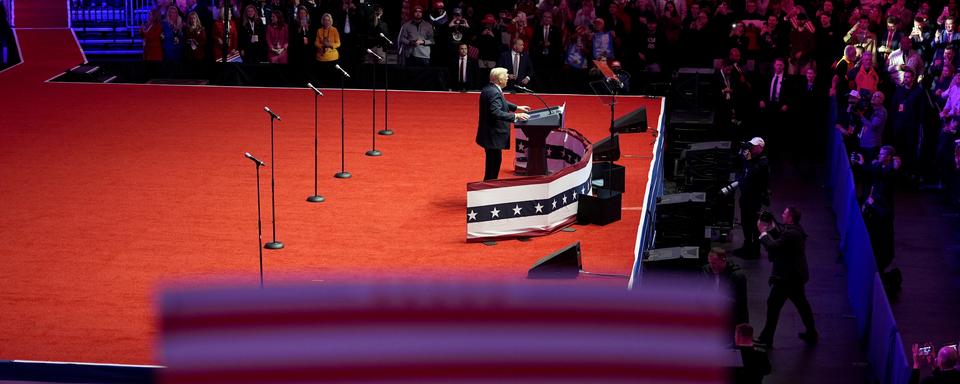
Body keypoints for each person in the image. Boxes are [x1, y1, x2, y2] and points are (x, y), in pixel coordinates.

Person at [754, 206, 818, 349]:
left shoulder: (791, 234)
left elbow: (775, 246)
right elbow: (781, 237)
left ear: (790, 217)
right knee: (802, 305)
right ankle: (812, 333)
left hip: (787, 278)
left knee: (773, 305)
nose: (782, 215)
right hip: (795, 276)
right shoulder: (796, 229)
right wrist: (771, 227)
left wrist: (763, 232)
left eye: (784, 213)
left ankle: (766, 339)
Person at [475, 67, 531, 181]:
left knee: (493, 163)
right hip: (493, 135)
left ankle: (490, 185)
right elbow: (495, 112)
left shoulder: (490, 89)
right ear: (499, 79)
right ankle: (489, 187)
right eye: (505, 76)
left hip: (489, 135)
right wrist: (516, 116)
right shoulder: (494, 92)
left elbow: (502, 102)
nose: (507, 78)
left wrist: (517, 107)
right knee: (493, 165)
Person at [733, 137, 770, 260]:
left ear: (760, 147)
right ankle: (747, 245)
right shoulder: (752, 159)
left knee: (754, 225)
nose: (751, 148)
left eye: (754, 146)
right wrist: (742, 153)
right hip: (746, 196)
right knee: (745, 222)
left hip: (755, 198)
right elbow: (740, 166)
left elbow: (754, 174)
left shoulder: (763, 162)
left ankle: (755, 250)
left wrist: (748, 160)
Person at [700, 248, 749, 326]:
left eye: (715, 263)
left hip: (730, 317)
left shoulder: (737, 276)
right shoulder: (706, 270)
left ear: (723, 260)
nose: (712, 266)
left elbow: (740, 303)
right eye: (710, 263)